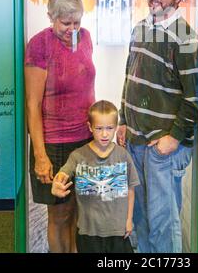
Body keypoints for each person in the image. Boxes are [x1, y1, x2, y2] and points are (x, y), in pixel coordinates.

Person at [117, 0, 198, 253]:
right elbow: (130, 77)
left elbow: (196, 99)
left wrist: (174, 139)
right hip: (135, 142)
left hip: (162, 149)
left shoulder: (186, 39)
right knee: (140, 218)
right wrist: (122, 120)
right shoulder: (140, 27)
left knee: (163, 222)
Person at [25, 0, 96, 253]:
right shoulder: (39, 44)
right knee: (59, 214)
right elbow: (32, 105)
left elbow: (87, 86)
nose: (73, 29)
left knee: (79, 210)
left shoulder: (86, 37)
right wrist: (40, 156)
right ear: (50, 18)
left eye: (77, 22)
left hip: (85, 140)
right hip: (55, 143)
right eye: (66, 23)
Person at [51, 100, 140, 253]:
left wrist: (129, 220)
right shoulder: (78, 156)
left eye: (109, 128)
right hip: (88, 232)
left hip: (118, 231)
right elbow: (63, 173)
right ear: (90, 127)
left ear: (116, 128)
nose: (105, 134)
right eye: (99, 128)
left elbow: (131, 189)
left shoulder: (123, 156)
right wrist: (57, 183)